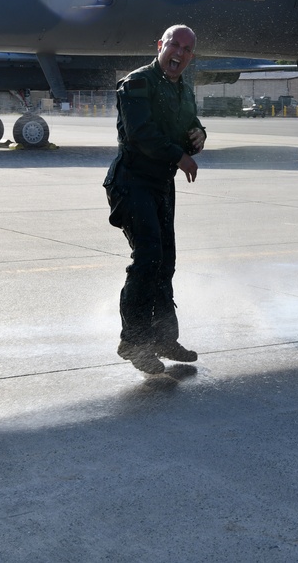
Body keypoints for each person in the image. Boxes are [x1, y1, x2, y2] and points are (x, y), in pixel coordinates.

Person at [103, 25, 206, 374]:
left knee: (165, 262)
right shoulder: (137, 82)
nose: (179, 53)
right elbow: (140, 132)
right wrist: (180, 156)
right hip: (131, 182)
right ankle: (133, 341)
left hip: (161, 184)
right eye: (174, 45)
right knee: (147, 258)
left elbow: (191, 124)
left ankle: (164, 338)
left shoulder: (183, 90)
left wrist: (198, 136)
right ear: (160, 45)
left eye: (187, 49)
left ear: (191, 56)